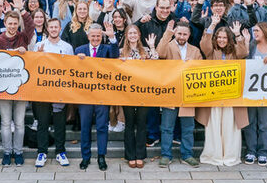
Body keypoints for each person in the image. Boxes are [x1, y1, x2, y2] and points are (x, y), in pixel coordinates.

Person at [198, 24, 249, 167]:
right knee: (213, 125)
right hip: (214, 94)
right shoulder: (211, 51)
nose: (221, 40)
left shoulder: (234, 51)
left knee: (230, 125)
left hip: (231, 95)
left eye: (224, 37)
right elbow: (204, 44)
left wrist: (238, 34)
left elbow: (243, 52)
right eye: (219, 37)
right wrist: (212, 25)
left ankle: (230, 155)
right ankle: (214, 155)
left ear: (229, 39)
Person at [155, 20, 202, 167]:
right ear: (175, 33)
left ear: (189, 35)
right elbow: (159, 53)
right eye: (179, 33)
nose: (181, 36)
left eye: (184, 34)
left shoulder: (195, 50)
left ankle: (187, 155)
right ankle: (166, 155)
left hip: (188, 94)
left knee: (188, 127)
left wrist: (193, 64)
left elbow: (201, 68)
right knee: (167, 127)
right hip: (170, 92)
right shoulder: (167, 46)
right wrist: (167, 33)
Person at [0, 10, 34, 166]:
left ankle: (19, 151)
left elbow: (30, 25)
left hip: (21, 86)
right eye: (10, 23)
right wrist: (17, 52)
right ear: (5, 23)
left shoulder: (23, 37)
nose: (13, 26)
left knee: (20, 122)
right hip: (3, 88)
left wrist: (23, 11)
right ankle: (7, 152)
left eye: (16, 23)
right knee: (6, 122)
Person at [74, 23, 116, 171]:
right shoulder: (79, 50)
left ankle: (101, 157)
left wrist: (112, 39)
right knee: (85, 127)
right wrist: (76, 60)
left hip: (102, 96)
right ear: (88, 36)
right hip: (85, 96)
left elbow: (116, 60)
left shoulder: (108, 50)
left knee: (102, 127)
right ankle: (85, 157)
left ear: (102, 36)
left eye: (98, 36)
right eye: (93, 36)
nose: (96, 38)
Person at [33, 17, 74, 168]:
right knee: (42, 122)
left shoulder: (67, 47)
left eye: (56, 27)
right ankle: (42, 152)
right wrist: (38, 56)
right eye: (51, 27)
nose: (54, 29)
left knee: (59, 122)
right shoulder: (39, 45)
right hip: (43, 91)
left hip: (60, 91)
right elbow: (33, 67)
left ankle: (60, 151)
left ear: (59, 28)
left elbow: (71, 68)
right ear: (47, 28)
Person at [118, 24, 158, 168]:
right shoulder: (122, 51)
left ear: (139, 35)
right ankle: (130, 155)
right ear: (127, 36)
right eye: (130, 33)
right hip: (127, 93)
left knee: (141, 124)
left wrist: (152, 47)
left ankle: (140, 155)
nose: (133, 35)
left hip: (143, 93)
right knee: (129, 124)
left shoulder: (146, 51)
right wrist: (120, 62)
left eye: (135, 33)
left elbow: (156, 61)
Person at [243, 22, 267, 165]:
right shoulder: (252, 45)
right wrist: (245, 44)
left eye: (257, 30)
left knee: (264, 123)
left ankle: (262, 152)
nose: (255, 33)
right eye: (254, 31)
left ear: (264, 31)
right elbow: (244, 62)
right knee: (250, 122)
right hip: (251, 91)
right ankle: (251, 151)